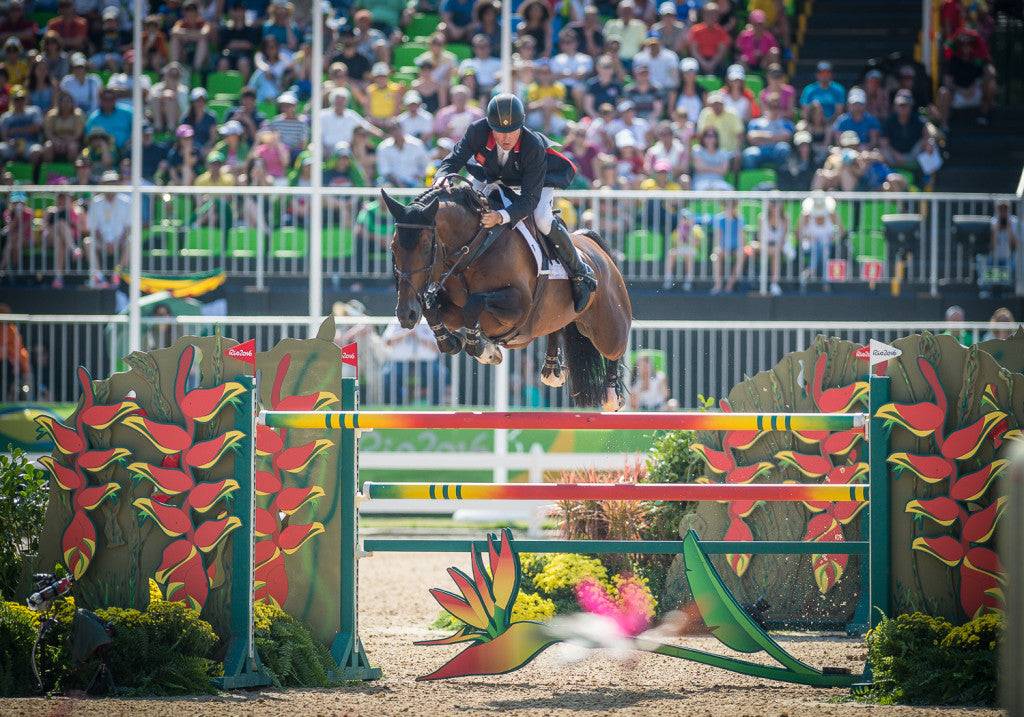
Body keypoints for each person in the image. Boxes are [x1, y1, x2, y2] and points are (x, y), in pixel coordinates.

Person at [433, 93, 594, 312]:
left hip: (533, 180)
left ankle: (579, 272)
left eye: (512, 131)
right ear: (490, 127)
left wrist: (502, 216)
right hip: (492, 173)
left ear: (522, 126)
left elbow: (528, 199)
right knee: (464, 204)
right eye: (499, 131)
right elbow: (453, 160)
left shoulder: (532, 145)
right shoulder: (476, 131)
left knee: (543, 219)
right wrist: (443, 176)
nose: (506, 137)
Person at [381, 319, 450, 405]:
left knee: (441, 374)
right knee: (387, 375)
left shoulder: (430, 323)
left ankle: (436, 406)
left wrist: (419, 337)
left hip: (426, 362)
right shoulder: (397, 322)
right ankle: (395, 407)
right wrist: (405, 334)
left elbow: (438, 347)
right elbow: (387, 342)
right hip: (400, 362)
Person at [85, 170, 131, 287]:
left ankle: (117, 274)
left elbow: (128, 227)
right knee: (87, 242)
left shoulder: (126, 201)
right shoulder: (95, 202)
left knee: (131, 241)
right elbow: (93, 228)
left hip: (120, 242)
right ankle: (98, 276)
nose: (111, 185)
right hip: (102, 242)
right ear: (102, 184)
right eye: (108, 182)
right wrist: (104, 242)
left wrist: (117, 242)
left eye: (114, 182)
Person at [41, 180, 85, 289]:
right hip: (50, 238)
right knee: (59, 224)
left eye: (66, 197)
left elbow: (84, 230)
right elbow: (42, 229)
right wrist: (53, 221)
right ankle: (74, 249)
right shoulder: (50, 211)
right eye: (61, 196)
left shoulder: (78, 211)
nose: (63, 199)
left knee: (59, 240)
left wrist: (72, 222)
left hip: (67, 239)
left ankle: (58, 278)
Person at [798, 190, 844, 290]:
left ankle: (811, 268)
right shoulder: (805, 216)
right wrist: (809, 237)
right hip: (809, 246)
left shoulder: (832, 215)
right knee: (821, 248)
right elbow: (797, 234)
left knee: (823, 246)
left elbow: (842, 232)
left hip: (827, 245)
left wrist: (834, 236)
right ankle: (825, 282)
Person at [978, 199, 1018, 297]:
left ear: (1010, 210)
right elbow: (989, 248)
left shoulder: (1016, 223)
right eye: (1001, 209)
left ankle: (1008, 290)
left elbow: (1016, 246)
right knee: (981, 258)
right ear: (996, 210)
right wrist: (994, 233)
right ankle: (985, 289)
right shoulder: (991, 224)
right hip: (993, 258)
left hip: (1009, 258)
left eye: (1005, 209)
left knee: (1016, 261)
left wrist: (1009, 231)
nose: (1003, 212)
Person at [375, 120, 429, 188]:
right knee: (383, 187)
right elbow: (385, 170)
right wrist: (398, 183)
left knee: (424, 188)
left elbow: (426, 164)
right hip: (391, 182)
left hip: (414, 181)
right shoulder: (383, 147)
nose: (395, 131)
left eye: (396, 127)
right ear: (389, 132)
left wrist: (419, 175)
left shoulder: (417, 144)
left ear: (401, 128)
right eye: (391, 129)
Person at [711, 199, 746, 293]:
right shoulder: (719, 219)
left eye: (733, 206)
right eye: (728, 206)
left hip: (736, 248)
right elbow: (718, 238)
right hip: (723, 247)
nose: (730, 209)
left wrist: (740, 248)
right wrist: (722, 248)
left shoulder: (740, 219)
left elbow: (742, 237)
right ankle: (718, 284)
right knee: (716, 253)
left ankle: (730, 285)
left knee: (741, 254)